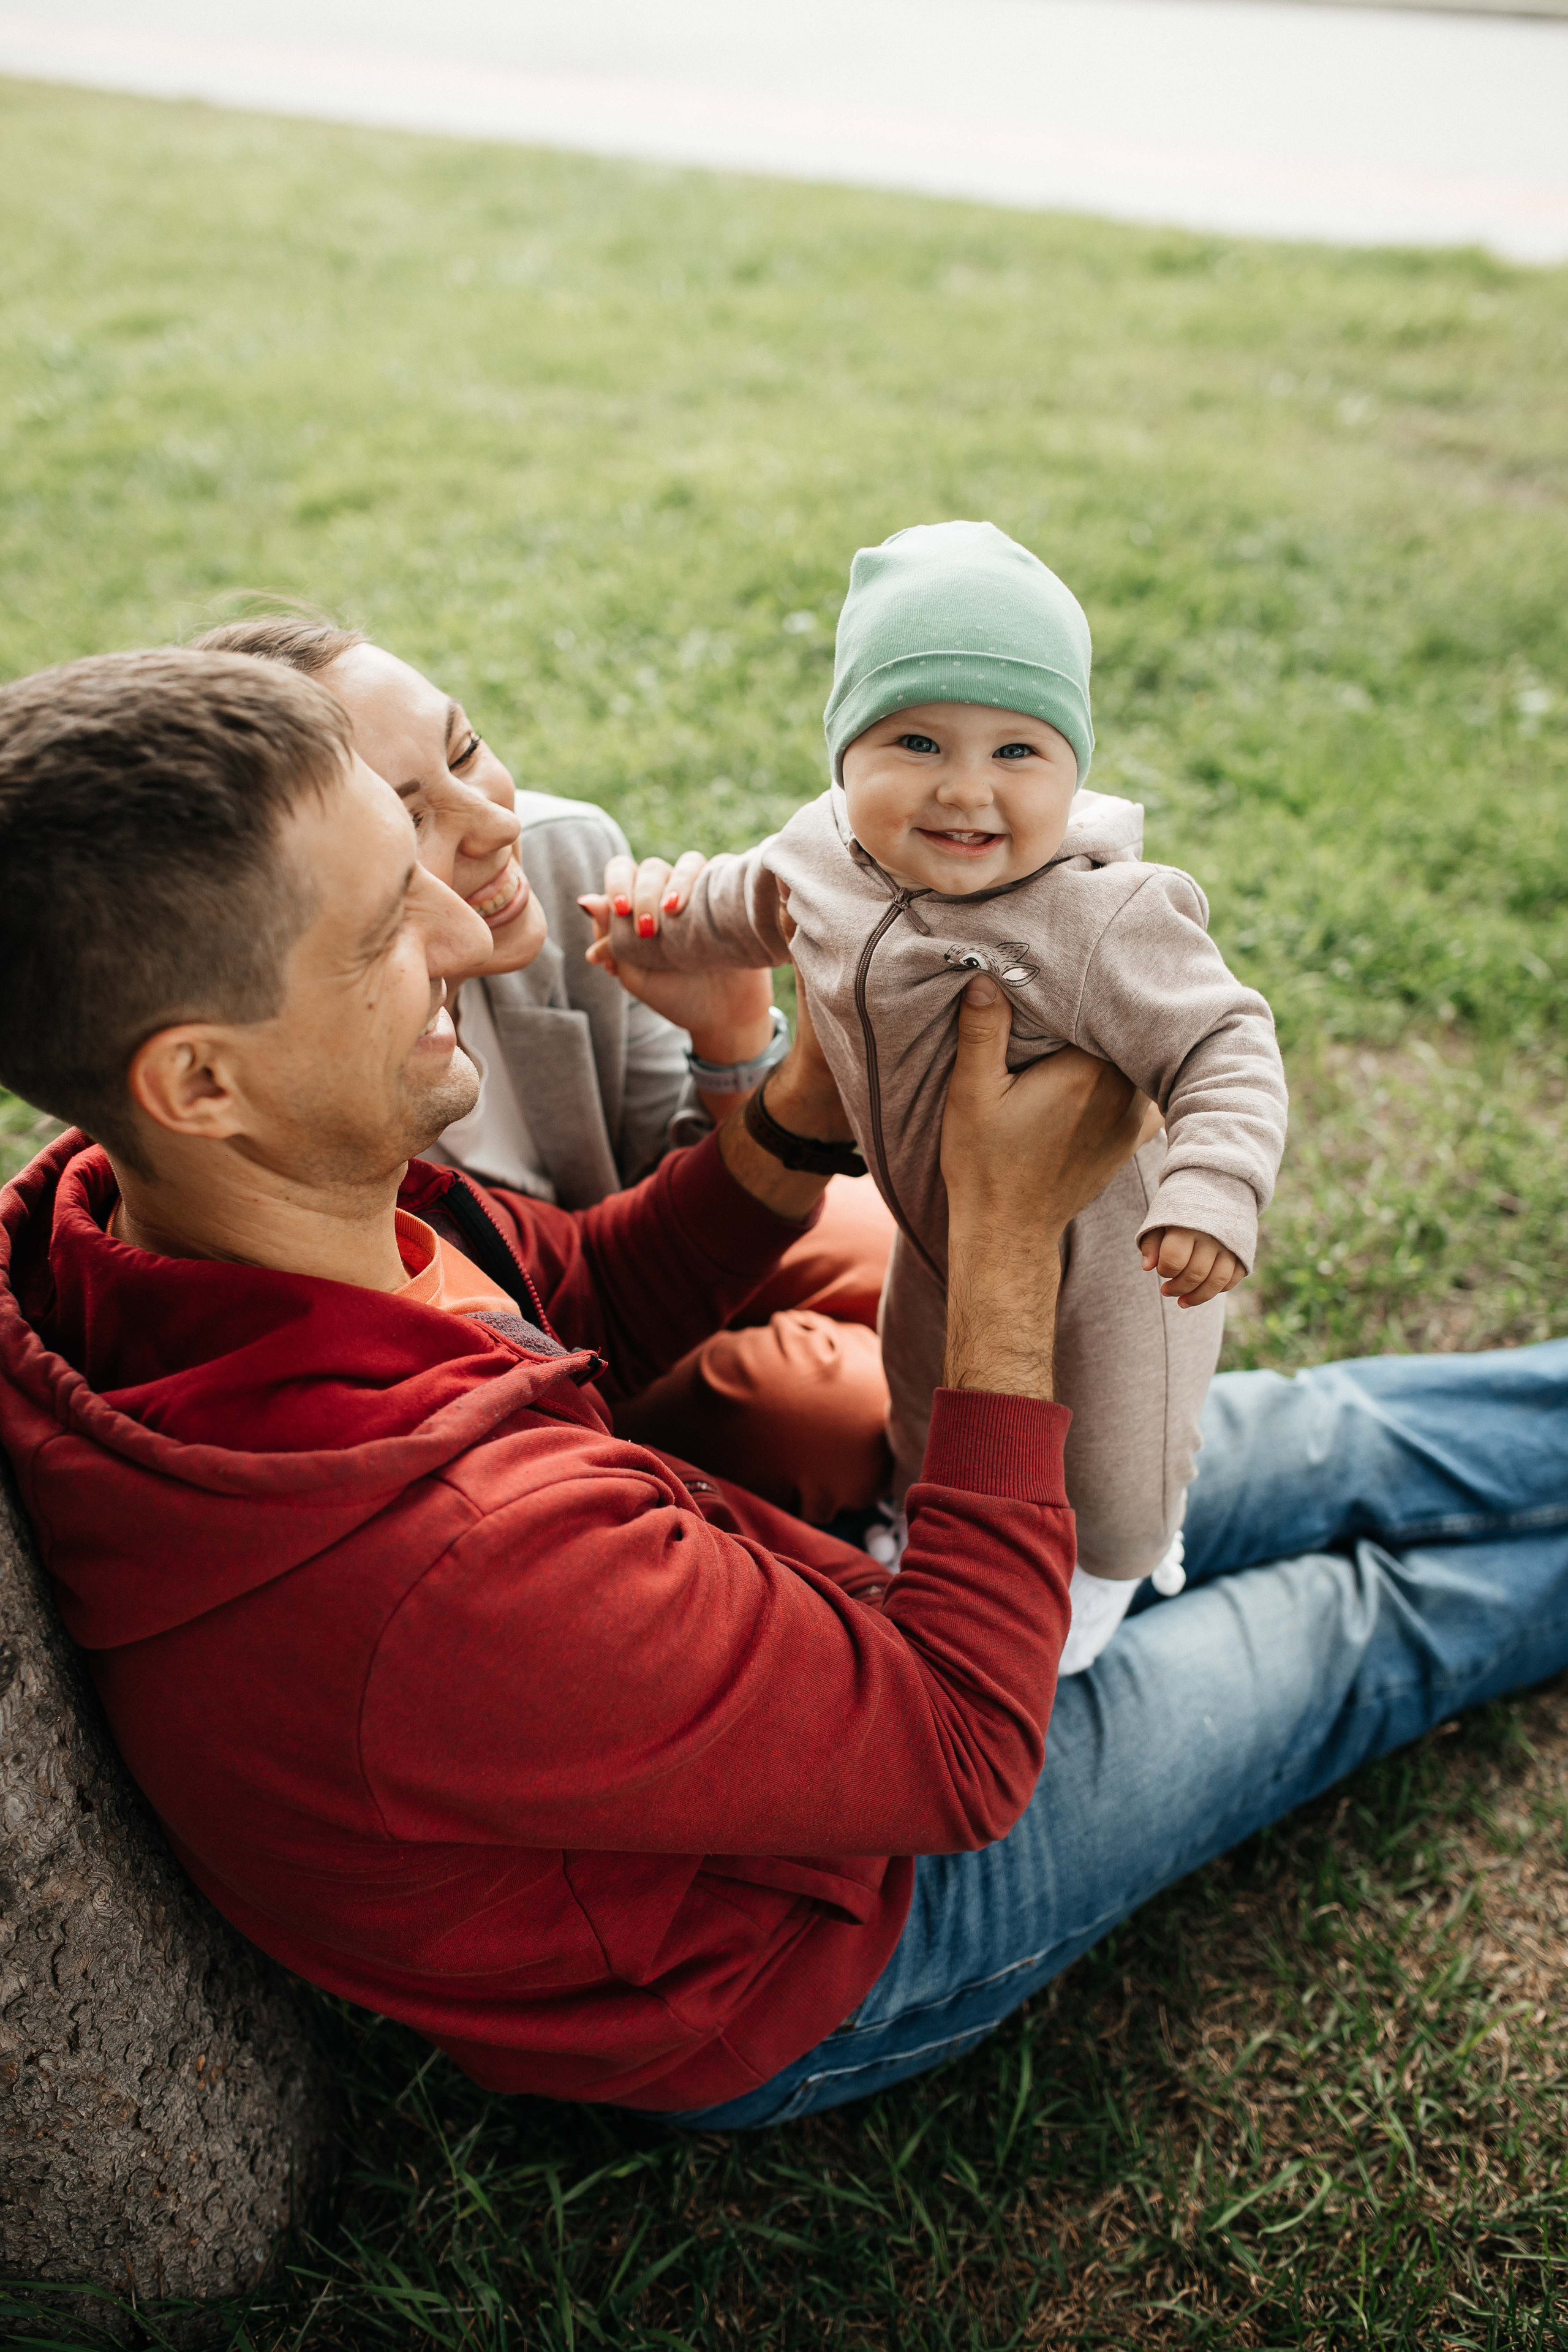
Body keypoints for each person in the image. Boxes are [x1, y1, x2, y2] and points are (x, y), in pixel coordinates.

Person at [1, 647, 1565, 2131]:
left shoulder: (165, 1210)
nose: (467, 934)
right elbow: (963, 1750)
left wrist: (799, 1098)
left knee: (1314, 1440)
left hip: (770, 1635)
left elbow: (579, 1297)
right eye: (381, 930)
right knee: (1351, 1624)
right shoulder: (439, 1567)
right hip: (806, 1949)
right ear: (197, 1079)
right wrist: (1004, 1250)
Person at [606, 522, 1288, 1667]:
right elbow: (747, 901)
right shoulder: (823, 854)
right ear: (845, 753)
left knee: (1115, 1460)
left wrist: (1213, 1186)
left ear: (1074, 768)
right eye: (917, 740)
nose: (967, 788)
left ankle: (1111, 1575)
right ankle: (927, 1521)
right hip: (938, 1230)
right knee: (922, 1393)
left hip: (1118, 1265)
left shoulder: (1099, 916)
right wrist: (660, 925)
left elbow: (1225, 1038)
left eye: (1019, 750)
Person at [192, 612, 896, 1526]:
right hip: (531, 1356)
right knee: (824, 1413)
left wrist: (731, 1042)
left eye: (466, 747)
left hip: (631, 1270)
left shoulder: (562, 857)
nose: (496, 821)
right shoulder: (309, 1070)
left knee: (897, 1247)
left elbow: (683, 1209)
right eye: (408, 818)